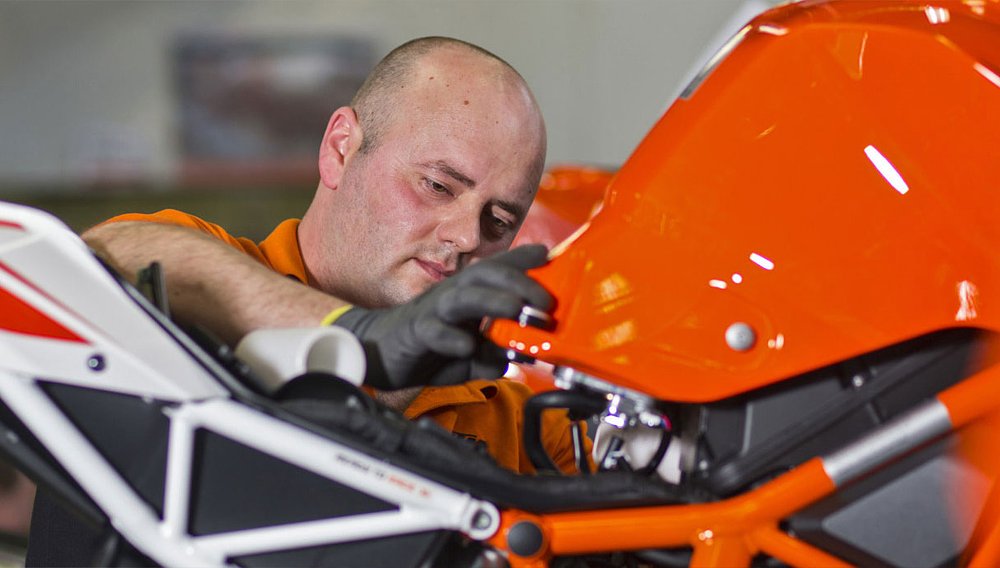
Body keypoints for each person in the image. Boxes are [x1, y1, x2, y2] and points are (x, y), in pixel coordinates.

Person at [26, 36, 588, 566]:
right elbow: (100, 255)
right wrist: (354, 338)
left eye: (499, 220)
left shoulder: (524, 428)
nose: (468, 237)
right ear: (341, 149)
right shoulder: (199, 281)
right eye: (438, 186)